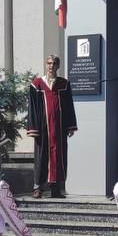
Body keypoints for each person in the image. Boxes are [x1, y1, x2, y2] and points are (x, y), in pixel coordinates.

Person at [26, 55, 78, 199]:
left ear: (58, 66)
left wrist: (71, 126)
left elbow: (69, 106)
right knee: (41, 157)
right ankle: (38, 188)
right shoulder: (37, 84)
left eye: (54, 63)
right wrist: (33, 128)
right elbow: (32, 107)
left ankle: (56, 189)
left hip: (59, 128)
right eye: (49, 63)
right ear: (46, 65)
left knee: (58, 157)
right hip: (42, 129)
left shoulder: (64, 84)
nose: (51, 66)